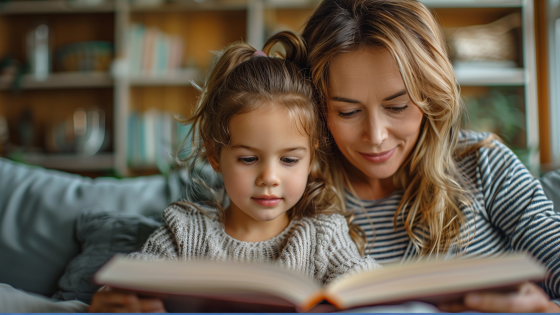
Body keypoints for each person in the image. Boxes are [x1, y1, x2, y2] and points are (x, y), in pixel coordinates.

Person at [88, 31, 379, 313]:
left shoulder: (323, 237)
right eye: (249, 158)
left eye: (289, 160)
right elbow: (131, 283)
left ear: (312, 158)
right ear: (215, 155)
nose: (269, 177)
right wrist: (114, 301)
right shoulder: (186, 232)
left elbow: (361, 283)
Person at [301, 0, 560, 312]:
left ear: (430, 95)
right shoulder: (290, 192)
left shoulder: (484, 163)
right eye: (348, 111)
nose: (377, 136)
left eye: (397, 106)